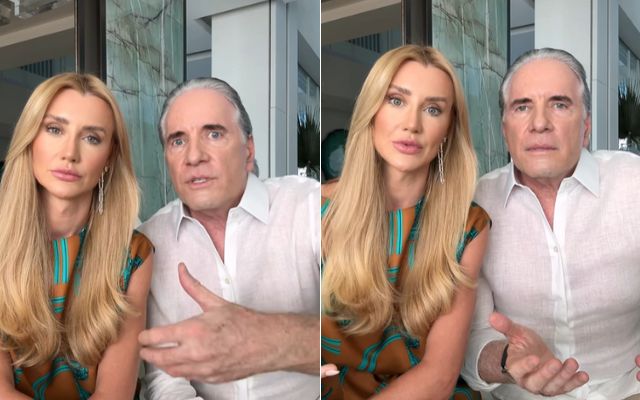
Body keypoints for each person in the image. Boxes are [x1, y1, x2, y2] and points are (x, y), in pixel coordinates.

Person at [461, 48, 640, 400]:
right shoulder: (476, 204)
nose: (539, 123)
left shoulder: (633, 183)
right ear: (505, 130)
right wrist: (507, 360)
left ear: (585, 127)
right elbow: (470, 337)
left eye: (559, 104)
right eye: (522, 107)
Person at [321, 45, 490, 399]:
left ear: (448, 129)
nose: (412, 124)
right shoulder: (316, 210)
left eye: (432, 109)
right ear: (372, 111)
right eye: (396, 100)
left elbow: (439, 376)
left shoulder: (468, 226)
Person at [137, 77, 320, 399]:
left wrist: (268, 338)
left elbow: (361, 336)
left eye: (214, 134)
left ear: (248, 150)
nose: (194, 156)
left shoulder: (307, 205)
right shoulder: (149, 242)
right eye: (178, 141)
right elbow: (166, 378)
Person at [0, 73, 153, 399]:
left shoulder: (133, 255)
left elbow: (113, 396)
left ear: (110, 157)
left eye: (92, 138)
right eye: (55, 129)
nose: (70, 153)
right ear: (31, 139)